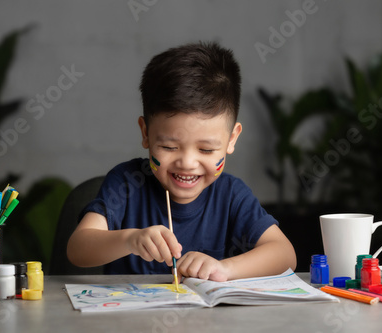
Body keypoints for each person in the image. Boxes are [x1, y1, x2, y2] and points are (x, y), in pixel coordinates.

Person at [67, 42, 296, 282]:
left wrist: (225, 269)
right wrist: (129, 240)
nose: (187, 163)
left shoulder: (232, 195)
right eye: (169, 147)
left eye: (206, 149)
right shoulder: (126, 183)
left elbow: (285, 254)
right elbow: (78, 249)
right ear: (145, 133)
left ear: (231, 139)